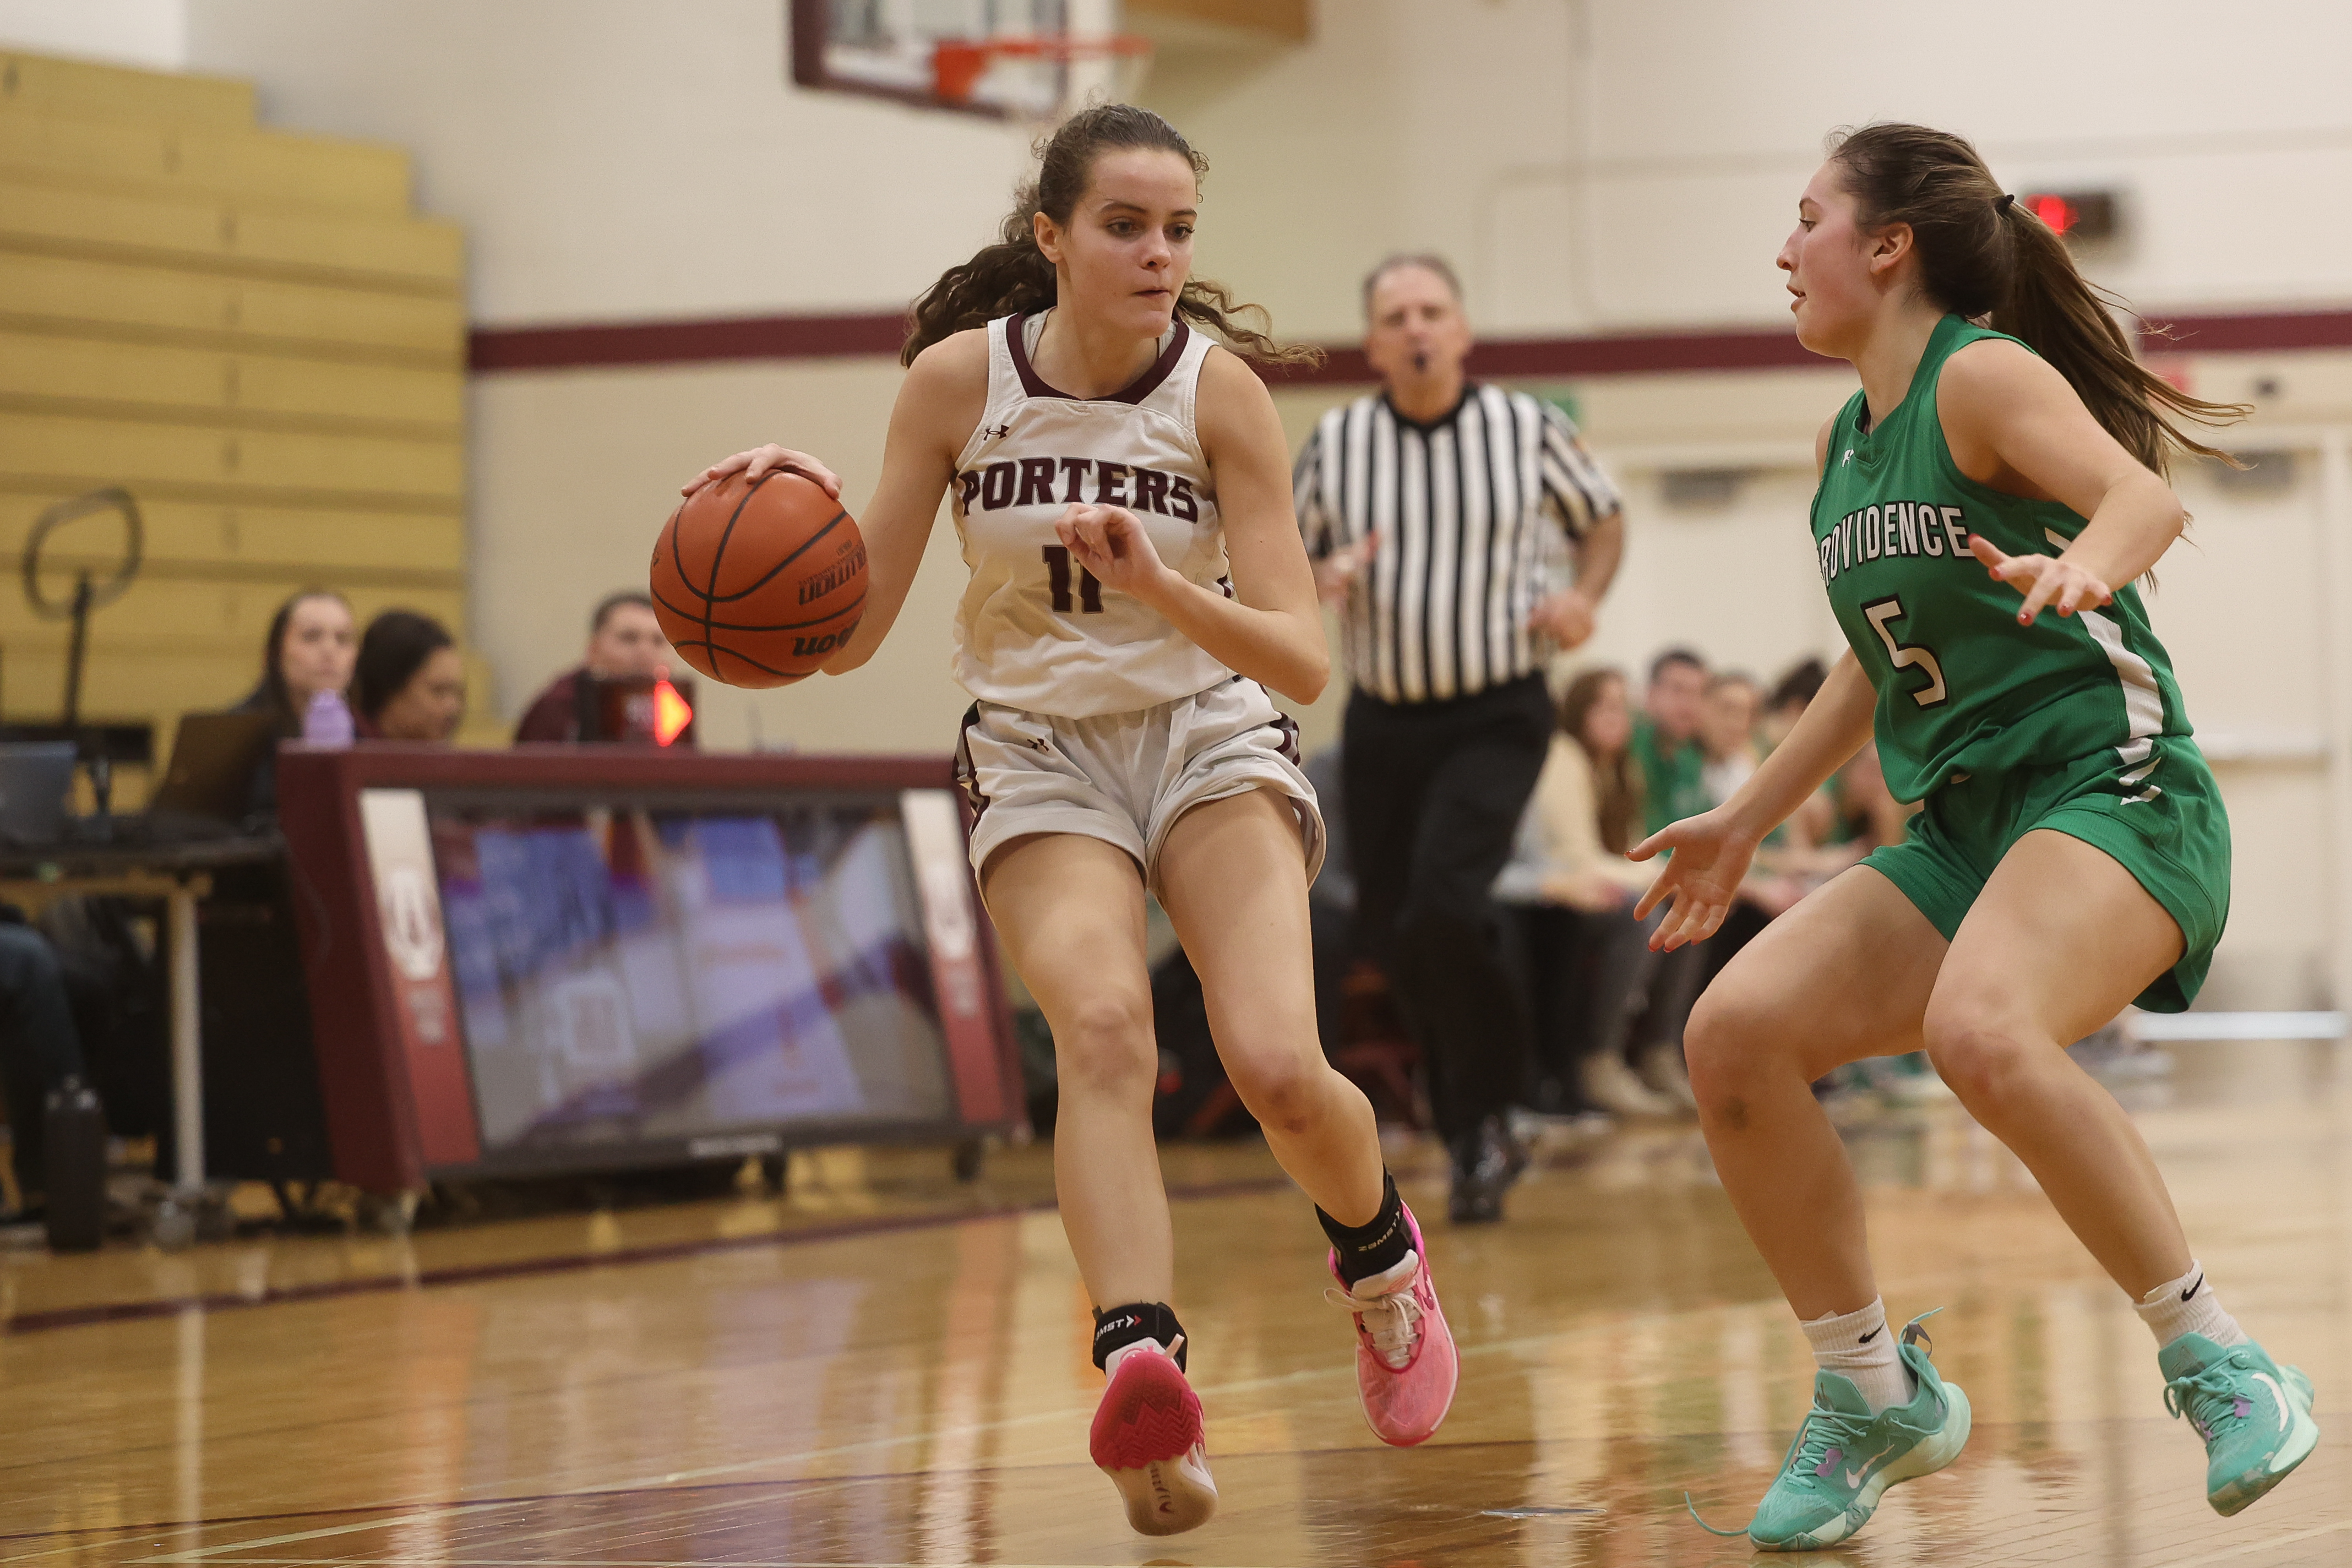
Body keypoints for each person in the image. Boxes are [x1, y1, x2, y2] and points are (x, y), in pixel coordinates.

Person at [679, 105, 1455, 1538]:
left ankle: (1383, 1264)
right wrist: (794, 507)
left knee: (1281, 1063)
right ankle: (1140, 1352)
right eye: (1124, 226)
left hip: (1211, 731)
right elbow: (848, 639)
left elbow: (1298, 659)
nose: (1158, 254)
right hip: (1039, 750)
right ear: (1051, 238)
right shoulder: (955, 383)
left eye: (1178, 231)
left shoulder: (1218, 396)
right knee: (1101, 1031)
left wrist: (1164, 588)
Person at [1640, 123, 2316, 1550]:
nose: (1782, 248)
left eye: (1805, 216)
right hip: (1968, 825)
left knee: (1985, 1032)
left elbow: (2146, 497)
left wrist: (2086, 561)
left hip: (2113, 789)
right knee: (1731, 1036)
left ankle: (2219, 1360)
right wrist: (1747, 817)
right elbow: (1869, 662)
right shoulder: (1846, 440)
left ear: (1887, 247)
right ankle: (1871, 1388)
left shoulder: (1985, 377)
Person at [1294, 253, 1625, 1222]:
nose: (1415, 327)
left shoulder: (1524, 427)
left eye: (1431, 310)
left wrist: (1582, 596)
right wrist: (1318, 576)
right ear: (1373, 341)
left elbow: (1603, 521)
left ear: (1463, 329)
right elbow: (1291, 551)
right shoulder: (1339, 442)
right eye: (1395, 315)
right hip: (1384, 717)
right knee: (1398, 934)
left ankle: (1484, 1113)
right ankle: (1484, 1126)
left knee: (1443, 905)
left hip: (1497, 707)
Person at [1493, 667, 1663, 1121]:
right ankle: (1598, 1059)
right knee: (1641, 911)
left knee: (1669, 906)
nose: (1617, 717)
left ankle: (1660, 1051)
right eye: (1604, 706)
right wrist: (1665, 875)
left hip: (1559, 889)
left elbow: (1632, 850)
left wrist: (1665, 876)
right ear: (1576, 710)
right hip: (1544, 889)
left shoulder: (1624, 767)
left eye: (1623, 707)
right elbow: (1577, 859)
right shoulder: (1562, 757)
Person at [514, 591, 687, 744]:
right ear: (594, 649)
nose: (645, 652)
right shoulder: (559, 707)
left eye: (658, 642)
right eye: (629, 638)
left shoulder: (674, 705)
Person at [353, 611, 466, 743]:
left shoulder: (441, 760)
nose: (453, 707)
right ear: (391, 689)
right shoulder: (341, 753)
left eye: (458, 693)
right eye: (439, 691)